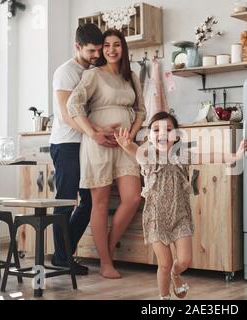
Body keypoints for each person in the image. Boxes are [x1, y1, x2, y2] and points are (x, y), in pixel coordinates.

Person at [114, 111, 247, 299]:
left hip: (180, 216)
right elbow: (134, 150)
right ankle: (164, 298)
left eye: (168, 129)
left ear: (176, 135)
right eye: (156, 130)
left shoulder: (182, 156)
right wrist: (126, 145)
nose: (162, 134)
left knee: (184, 260)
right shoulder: (147, 157)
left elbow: (208, 156)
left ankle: (176, 274)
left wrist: (235, 155)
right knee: (165, 263)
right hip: (156, 219)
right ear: (149, 136)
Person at [67, 29, 146, 279]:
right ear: (102, 49)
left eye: (117, 45)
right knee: (99, 203)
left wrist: (130, 135)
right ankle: (105, 262)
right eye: (107, 45)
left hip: (125, 145)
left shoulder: (131, 77)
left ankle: (109, 248)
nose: (112, 50)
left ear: (124, 48)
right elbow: (73, 105)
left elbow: (141, 110)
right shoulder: (93, 75)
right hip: (98, 144)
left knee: (133, 197)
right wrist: (93, 132)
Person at [49, 23, 119, 275]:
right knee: (66, 200)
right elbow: (68, 114)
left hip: (85, 143)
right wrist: (94, 132)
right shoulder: (66, 72)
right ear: (77, 46)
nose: (96, 55)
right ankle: (61, 256)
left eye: (98, 50)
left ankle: (63, 252)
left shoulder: (93, 70)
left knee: (88, 200)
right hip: (67, 143)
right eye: (90, 51)